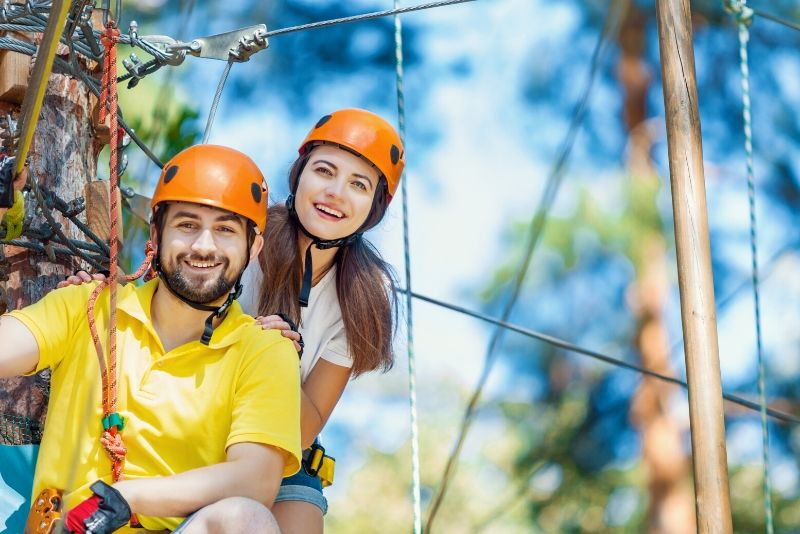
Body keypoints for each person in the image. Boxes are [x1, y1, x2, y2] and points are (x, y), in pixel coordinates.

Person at [0, 144, 301, 533]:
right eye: (187, 225)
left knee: (246, 519)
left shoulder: (264, 350)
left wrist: (130, 497)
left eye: (225, 229)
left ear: (254, 247)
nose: (204, 246)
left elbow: (255, 480)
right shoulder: (88, 307)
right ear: (156, 236)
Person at [241, 108, 404, 534]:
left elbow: (303, 428)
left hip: (283, 454)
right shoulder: (243, 238)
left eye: (358, 184)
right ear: (299, 175)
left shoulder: (363, 296)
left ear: (373, 207)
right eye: (325, 171)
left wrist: (273, 360)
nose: (335, 192)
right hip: (197, 418)